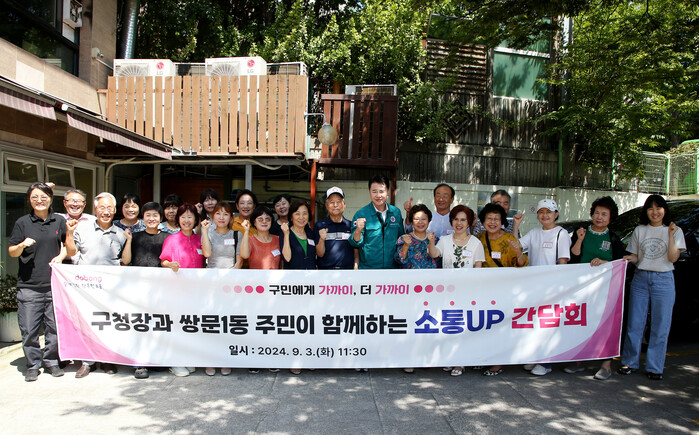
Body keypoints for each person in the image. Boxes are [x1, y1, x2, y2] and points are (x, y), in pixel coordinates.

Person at [8, 182, 78, 381]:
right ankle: (33, 365)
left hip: (55, 285)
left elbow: (70, 249)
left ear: (51, 199)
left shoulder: (59, 221)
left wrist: (63, 251)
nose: (39, 200)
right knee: (29, 330)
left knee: (54, 328)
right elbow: (12, 252)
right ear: (29, 200)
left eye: (44, 196)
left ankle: (51, 362)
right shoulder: (22, 222)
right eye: (35, 197)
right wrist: (22, 245)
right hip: (29, 286)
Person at [618, 195, 686, 381]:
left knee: (660, 325)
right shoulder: (640, 230)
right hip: (640, 278)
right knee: (635, 323)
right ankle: (629, 362)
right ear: (646, 211)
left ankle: (655, 367)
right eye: (650, 208)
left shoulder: (675, 230)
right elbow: (637, 256)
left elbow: (673, 258)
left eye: (658, 208)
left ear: (664, 210)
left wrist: (670, 235)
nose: (655, 212)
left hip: (664, 280)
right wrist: (628, 259)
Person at [561, 196, 625, 380]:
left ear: (610, 217)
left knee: (605, 324)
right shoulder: (581, 232)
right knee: (582, 321)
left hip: (606, 289)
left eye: (604, 214)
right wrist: (579, 240)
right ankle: (579, 360)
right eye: (597, 213)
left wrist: (605, 263)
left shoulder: (613, 238)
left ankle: (606, 364)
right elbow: (573, 256)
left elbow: (620, 262)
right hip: (582, 287)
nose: (599, 217)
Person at [72, 192, 130, 378]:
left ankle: (107, 360)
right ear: (95, 209)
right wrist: (68, 235)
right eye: (102, 208)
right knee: (87, 324)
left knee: (108, 324)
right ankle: (87, 362)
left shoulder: (120, 234)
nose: (106, 212)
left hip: (110, 289)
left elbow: (124, 261)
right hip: (86, 288)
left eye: (109, 208)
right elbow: (71, 252)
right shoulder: (82, 229)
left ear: (114, 210)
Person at [519, 198, 570, 376]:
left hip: (552, 287)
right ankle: (536, 357)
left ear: (556, 214)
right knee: (535, 323)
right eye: (541, 212)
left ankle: (546, 363)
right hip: (534, 286)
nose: (545, 215)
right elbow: (517, 246)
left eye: (549, 212)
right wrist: (516, 225)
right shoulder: (534, 232)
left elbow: (563, 261)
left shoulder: (561, 234)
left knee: (549, 324)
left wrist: (560, 287)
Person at [476, 203, 528, 377]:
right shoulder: (478, 239)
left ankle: (498, 362)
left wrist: (518, 253)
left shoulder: (509, 239)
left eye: (496, 219)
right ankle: (484, 357)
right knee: (484, 325)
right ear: (483, 221)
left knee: (500, 326)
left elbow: (522, 264)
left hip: (504, 290)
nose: (492, 222)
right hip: (483, 290)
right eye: (489, 219)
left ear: (502, 221)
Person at [432, 205, 485, 377]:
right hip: (446, 292)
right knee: (449, 325)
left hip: (467, 293)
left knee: (463, 327)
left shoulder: (476, 243)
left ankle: (461, 361)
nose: (459, 223)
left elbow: (478, 268)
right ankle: (451, 358)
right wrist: (431, 241)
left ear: (469, 222)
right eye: (456, 219)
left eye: (463, 220)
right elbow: (434, 254)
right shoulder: (444, 240)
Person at [121, 201, 168, 380]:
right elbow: (126, 261)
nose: (151, 218)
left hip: (160, 289)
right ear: (143, 217)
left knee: (157, 325)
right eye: (148, 215)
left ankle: (155, 360)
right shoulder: (135, 236)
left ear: (161, 218)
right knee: (140, 325)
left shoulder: (167, 238)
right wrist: (129, 241)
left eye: (155, 215)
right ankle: (139, 364)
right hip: (138, 288)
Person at [160, 203, 207, 377]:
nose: (187, 220)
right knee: (177, 324)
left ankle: (187, 357)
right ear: (178, 219)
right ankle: (175, 361)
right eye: (183, 217)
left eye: (190, 217)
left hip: (197, 291)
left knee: (191, 324)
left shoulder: (199, 239)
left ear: (196, 219)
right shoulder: (171, 239)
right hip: (176, 289)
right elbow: (163, 261)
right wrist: (170, 265)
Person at [240, 206, 282, 374]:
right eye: (260, 219)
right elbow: (244, 255)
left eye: (267, 219)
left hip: (275, 291)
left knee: (273, 326)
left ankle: (271, 357)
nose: (264, 222)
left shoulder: (278, 239)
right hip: (255, 291)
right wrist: (245, 232)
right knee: (256, 325)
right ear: (254, 222)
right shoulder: (250, 239)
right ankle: (255, 358)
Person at [349, 175, 405, 269]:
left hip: (392, 269)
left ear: (387, 191)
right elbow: (355, 243)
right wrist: (358, 230)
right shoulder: (361, 214)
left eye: (381, 191)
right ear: (369, 192)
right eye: (374, 191)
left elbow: (401, 239)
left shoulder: (396, 213)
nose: (378, 195)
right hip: (369, 269)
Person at [315, 187, 357, 270]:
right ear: (327, 206)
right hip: (325, 272)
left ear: (344, 204)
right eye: (332, 202)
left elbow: (356, 251)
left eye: (338, 202)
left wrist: (356, 268)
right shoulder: (319, 226)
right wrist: (322, 239)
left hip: (347, 272)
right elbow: (319, 254)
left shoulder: (351, 225)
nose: (335, 205)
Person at [395, 204, 440, 270]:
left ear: (429, 221)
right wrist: (406, 246)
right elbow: (399, 260)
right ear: (412, 221)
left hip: (431, 276)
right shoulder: (404, 239)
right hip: (410, 276)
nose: (420, 222)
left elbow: (439, 261)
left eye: (423, 219)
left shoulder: (434, 239)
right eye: (416, 219)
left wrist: (431, 242)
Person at [281, 200, 316, 270]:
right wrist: (286, 234)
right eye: (297, 214)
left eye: (304, 213)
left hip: (311, 275)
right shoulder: (285, 233)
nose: (301, 217)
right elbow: (287, 258)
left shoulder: (310, 233)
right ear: (291, 217)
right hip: (293, 275)